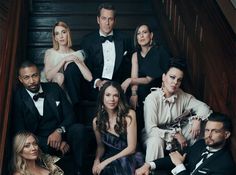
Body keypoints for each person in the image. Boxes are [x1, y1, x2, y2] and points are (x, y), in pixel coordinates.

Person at [13, 60, 85, 174]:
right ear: (20, 79)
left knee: (79, 129)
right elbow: (21, 132)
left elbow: (70, 115)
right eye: (26, 78)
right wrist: (53, 143)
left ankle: (80, 170)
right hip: (39, 142)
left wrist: (59, 131)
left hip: (62, 134)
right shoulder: (18, 97)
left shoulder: (54, 88)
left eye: (34, 75)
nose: (32, 81)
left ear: (39, 75)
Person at [143, 58, 212, 162]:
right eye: (172, 77)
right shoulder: (152, 98)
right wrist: (175, 134)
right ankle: (152, 170)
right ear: (163, 77)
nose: (175, 82)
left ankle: (197, 163)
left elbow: (204, 107)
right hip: (155, 136)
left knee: (200, 125)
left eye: (179, 80)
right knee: (155, 141)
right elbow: (151, 130)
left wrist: (197, 119)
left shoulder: (182, 95)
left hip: (176, 137)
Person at [135, 112, 236, 175]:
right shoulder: (201, 144)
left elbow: (178, 161)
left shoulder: (226, 166)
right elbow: (178, 157)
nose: (208, 135)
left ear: (226, 135)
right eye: (207, 130)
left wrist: (179, 165)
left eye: (215, 131)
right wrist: (148, 165)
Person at [77, 3, 133, 100]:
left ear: (114, 21)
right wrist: (97, 82)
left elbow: (131, 64)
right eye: (104, 18)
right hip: (96, 87)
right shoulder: (87, 40)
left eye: (110, 19)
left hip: (118, 86)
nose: (107, 23)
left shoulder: (125, 39)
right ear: (98, 20)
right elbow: (84, 67)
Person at [121, 24, 170, 136]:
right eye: (138, 33)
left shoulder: (158, 51)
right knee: (130, 99)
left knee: (142, 94)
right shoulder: (135, 55)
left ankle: (146, 133)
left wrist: (129, 80)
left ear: (151, 35)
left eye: (144, 32)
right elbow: (135, 77)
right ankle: (133, 137)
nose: (141, 36)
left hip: (156, 89)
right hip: (141, 90)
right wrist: (134, 94)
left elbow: (148, 79)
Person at [92, 81, 143, 175]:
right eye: (108, 95)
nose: (112, 99)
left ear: (119, 98)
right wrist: (97, 160)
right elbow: (101, 147)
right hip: (110, 156)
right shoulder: (97, 121)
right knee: (105, 170)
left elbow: (132, 148)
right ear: (102, 97)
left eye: (115, 95)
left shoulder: (129, 114)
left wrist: (106, 162)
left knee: (122, 165)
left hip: (130, 156)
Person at [43, 21, 92, 105]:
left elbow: (89, 78)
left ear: (68, 34)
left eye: (63, 32)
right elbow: (48, 77)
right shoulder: (50, 53)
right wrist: (64, 60)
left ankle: (73, 105)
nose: (61, 36)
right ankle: (59, 107)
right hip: (55, 91)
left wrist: (77, 61)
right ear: (55, 38)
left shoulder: (77, 54)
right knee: (59, 76)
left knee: (72, 67)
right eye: (57, 34)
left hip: (73, 92)